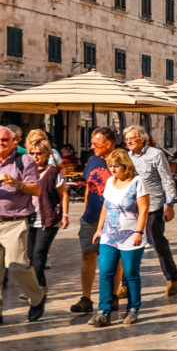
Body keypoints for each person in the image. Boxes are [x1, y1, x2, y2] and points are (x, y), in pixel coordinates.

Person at [0, 125, 47, 327]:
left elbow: (36, 190)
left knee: (18, 266)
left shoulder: (24, 160)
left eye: (4, 140)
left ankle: (37, 298)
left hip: (15, 222)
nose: (0, 144)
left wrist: (16, 183)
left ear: (13, 142)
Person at [90, 149, 149, 326]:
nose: (114, 169)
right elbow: (105, 207)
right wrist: (99, 229)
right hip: (109, 235)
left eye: (117, 166)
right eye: (111, 166)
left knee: (130, 273)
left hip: (130, 234)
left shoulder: (137, 182)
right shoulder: (110, 182)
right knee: (106, 272)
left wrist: (139, 232)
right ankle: (103, 310)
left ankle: (133, 308)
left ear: (126, 165)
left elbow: (144, 209)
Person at [124, 126, 177, 296]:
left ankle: (172, 278)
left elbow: (166, 179)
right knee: (128, 245)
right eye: (127, 139)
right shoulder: (126, 157)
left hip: (153, 206)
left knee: (157, 242)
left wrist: (170, 205)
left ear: (142, 138)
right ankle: (125, 283)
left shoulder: (156, 154)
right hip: (132, 207)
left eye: (132, 138)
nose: (129, 141)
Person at [70, 127, 115, 314]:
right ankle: (86, 298)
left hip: (113, 218)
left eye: (95, 144)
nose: (91, 147)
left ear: (108, 144)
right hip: (91, 216)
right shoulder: (92, 160)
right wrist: (86, 210)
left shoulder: (121, 160)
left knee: (112, 259)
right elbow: (89, 186)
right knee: (87, 254)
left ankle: (111, 296)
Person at [27, 139, 69, 291]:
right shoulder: (24, 171)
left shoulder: (53, 172)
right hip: (28, 219)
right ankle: (40, 287)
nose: (35, 156)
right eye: (32, 153)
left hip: (48, 219)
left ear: (46, 155)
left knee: (38, 256)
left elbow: (63, 193)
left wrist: (65, 215)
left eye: (39, 153)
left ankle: (36, 290)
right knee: (30, 256)